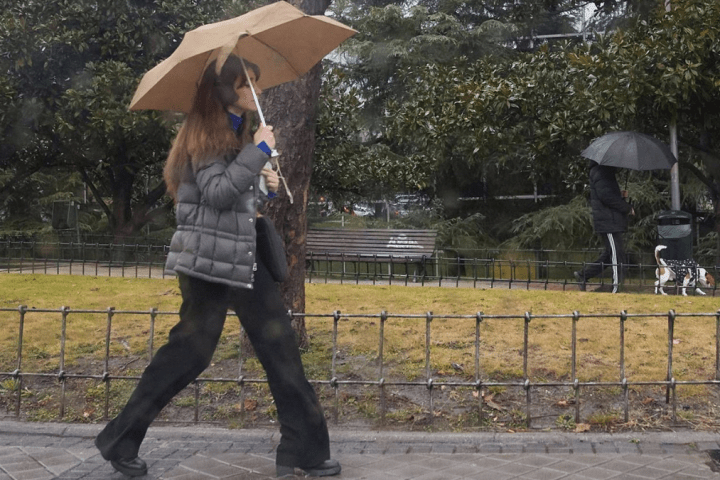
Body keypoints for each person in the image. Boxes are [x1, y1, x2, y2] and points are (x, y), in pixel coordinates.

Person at [95, 54, 341, 478]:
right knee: (188, 356)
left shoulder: (231, 133)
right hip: (211, 267)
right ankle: (120, 439)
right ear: (227, 89)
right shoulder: (207, 135)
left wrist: (264, 187)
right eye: (249, 84)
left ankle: (303, 450)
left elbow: (234, 202)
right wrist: (259, 152)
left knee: (280, 351)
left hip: (238, 261)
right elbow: (218, 194)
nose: (258, 91)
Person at [574, 160, 634, 293]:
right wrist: (626, 208)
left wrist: (620, 196)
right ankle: (617, 288)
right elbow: (606, 196)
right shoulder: (602, 172)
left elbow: (608, 194)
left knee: (610, 254)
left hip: (610, 220)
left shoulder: (603, 172)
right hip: (608, 221)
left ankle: (583, 275)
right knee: (617, 256)